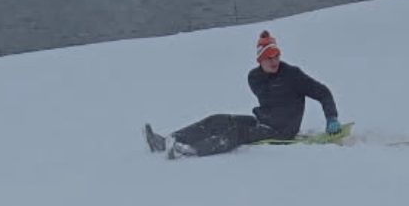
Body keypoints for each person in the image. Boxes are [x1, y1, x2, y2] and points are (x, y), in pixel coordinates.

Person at [145, 30, 341, 158]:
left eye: (276, 56)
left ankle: (192, 151)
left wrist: (331, 117)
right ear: (260, 60)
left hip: (282, 131)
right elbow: (268, 95)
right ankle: (169, 139)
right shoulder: (254, 77)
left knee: (237, 133)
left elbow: (323, 93)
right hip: (263, 122)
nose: (274, 61)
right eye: (268, 58)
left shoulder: (293, 75)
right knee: (219, 119)